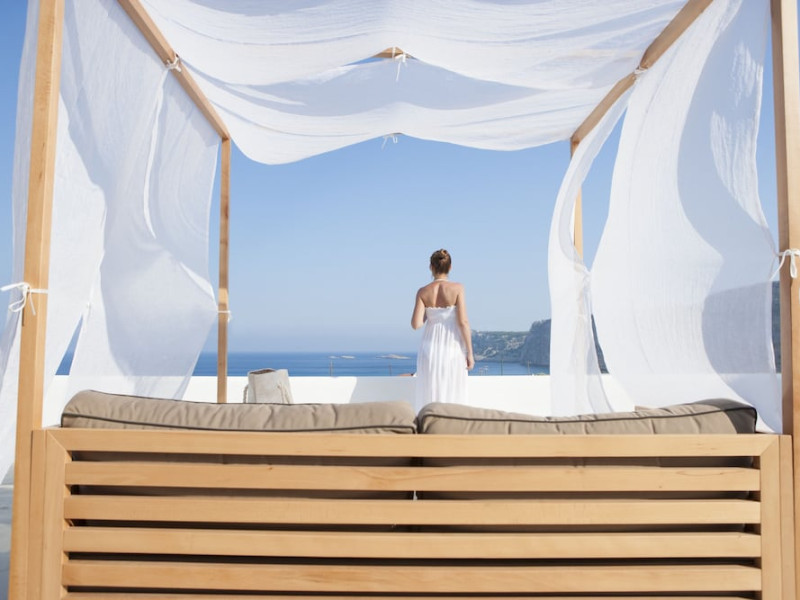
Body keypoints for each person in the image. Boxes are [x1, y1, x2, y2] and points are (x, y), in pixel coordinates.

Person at [411, 249, 474, 411]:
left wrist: (431, 313)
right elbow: (463, 322)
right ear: (450, 267)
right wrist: (470, 353)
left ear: (431, 267)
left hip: (429, 347)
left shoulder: (422, 291)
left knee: (431, 389)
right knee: (452, 388)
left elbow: (416, 324)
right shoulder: (458, 288)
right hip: (452, 346)